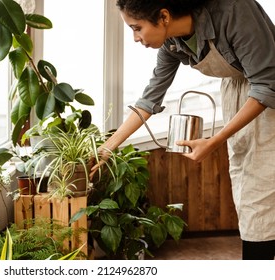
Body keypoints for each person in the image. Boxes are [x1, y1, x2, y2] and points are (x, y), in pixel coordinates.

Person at [90, 0, 275, 260]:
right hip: (242, 98)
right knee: (251, 198)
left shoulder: (233, 10)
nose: (135, 38)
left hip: (267, 98)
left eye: (137, 28)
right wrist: (106, 149)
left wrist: (214, 140)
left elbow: (267, 83)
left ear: (163, 16)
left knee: (263, 197)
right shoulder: (172, 44)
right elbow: (148, 101)